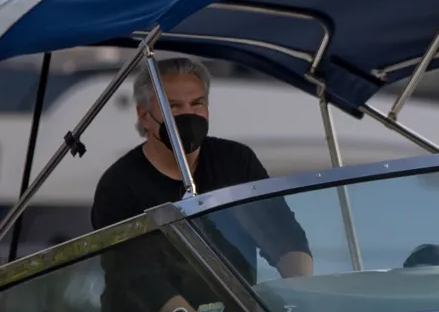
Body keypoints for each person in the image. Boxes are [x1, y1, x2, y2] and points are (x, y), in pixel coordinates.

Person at [88, 54, 313, 276]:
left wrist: (301, 289)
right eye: (174, 107)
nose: (188, 113)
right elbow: (137, 277)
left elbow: (284, 235)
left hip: (241, 309)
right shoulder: (118, 185)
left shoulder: (236, 160)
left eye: (197, 103)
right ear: (145, 116)